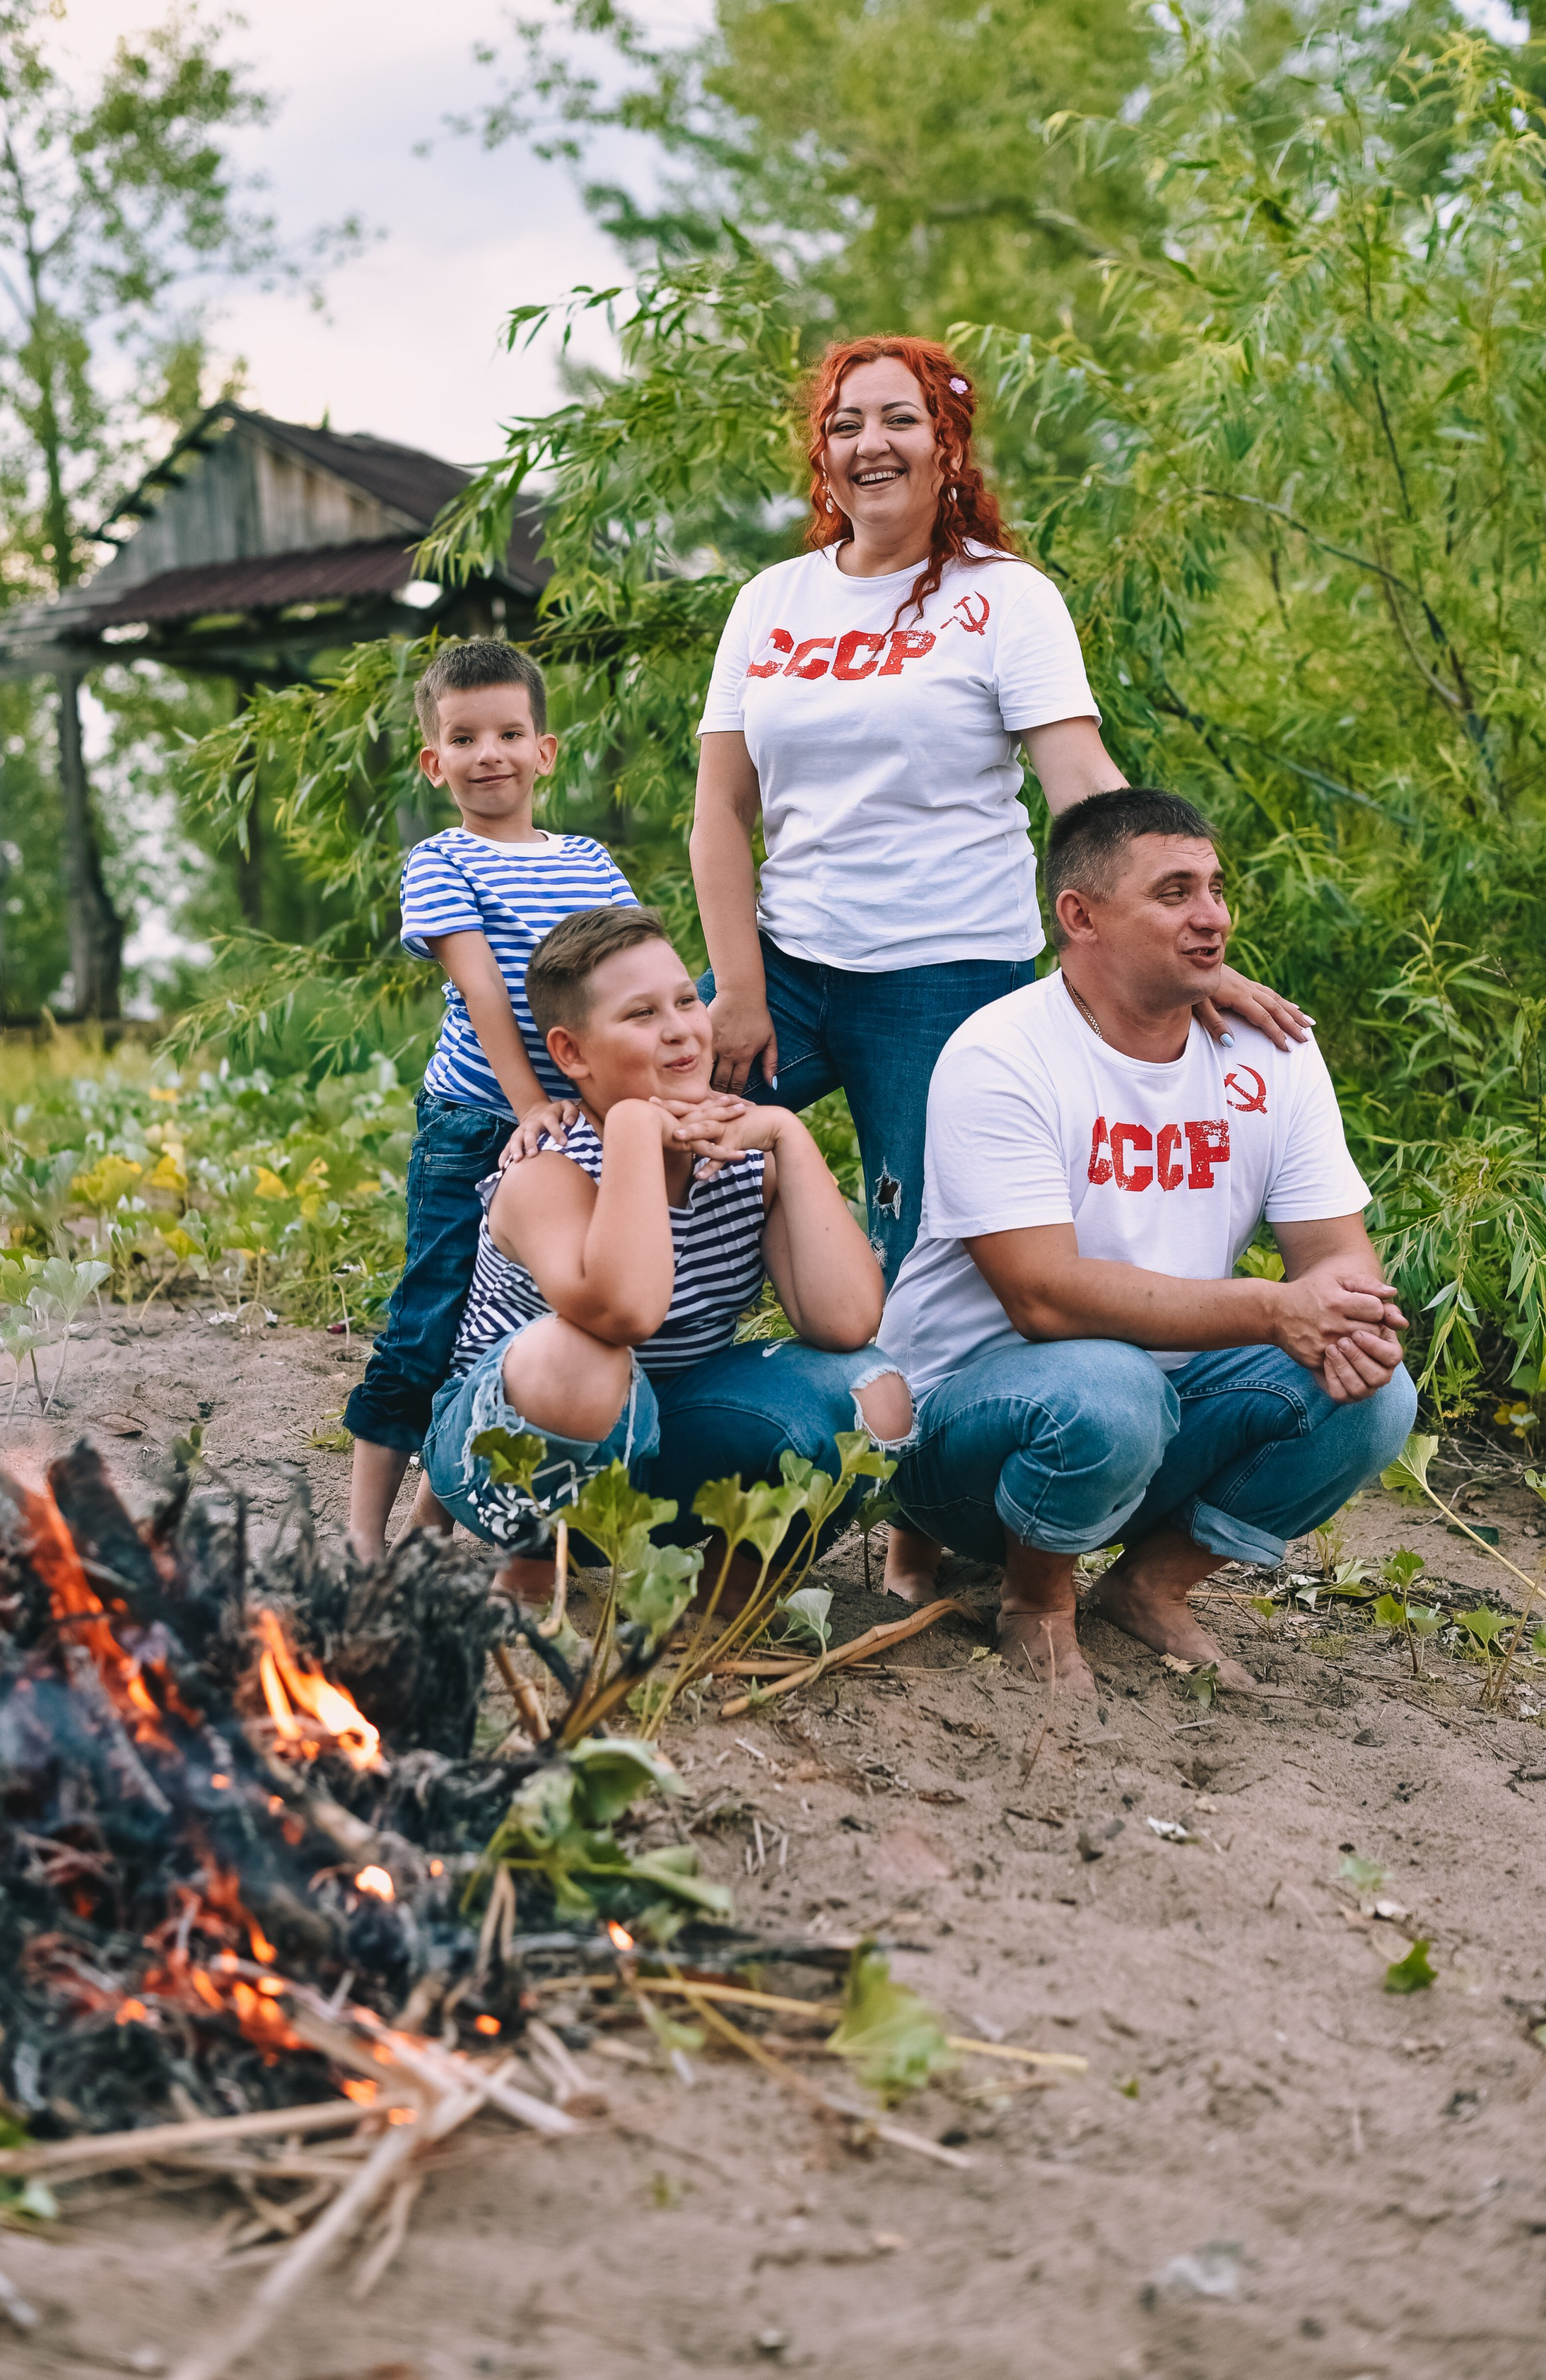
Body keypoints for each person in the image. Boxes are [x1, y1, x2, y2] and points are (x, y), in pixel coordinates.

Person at [690, 336, 1306, 1595]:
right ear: (825, 450)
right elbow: (719, 812)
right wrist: (737, 985)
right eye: (848, 422)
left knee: (927, 1256)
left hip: (946, 975)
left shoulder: (1002, 599)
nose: (872, 443)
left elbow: (1080, 779)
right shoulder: (774, 601)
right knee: (648, 1148)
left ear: (945, 443)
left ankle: (916, 1521)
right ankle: (607, 1439)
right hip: (788, 972)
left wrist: (1175, 925)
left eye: (900, 420)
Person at [877, 787, 1416, 1695]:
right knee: (1109, 1384)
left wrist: (1347, 1313)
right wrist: (1269, 1307)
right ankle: (1036, 1600)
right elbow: (1040, 1296)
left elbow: (1335, 1252)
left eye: (1214, 887)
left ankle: (1148, 1587)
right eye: (1174, 893)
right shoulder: (1000, 1054)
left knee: (1373, 1394)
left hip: (1150, 1419)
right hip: (964, 1443)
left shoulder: (1271, 1051)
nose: (1211, 917)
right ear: (1079, 916)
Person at [420, 902, 913, 1602]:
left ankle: (728, 1585)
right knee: (579, 1358)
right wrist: (629, 1130)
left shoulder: (742, 1159)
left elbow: (844, 1322)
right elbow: (625, 1313)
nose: (680, 1028)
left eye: (686, 999)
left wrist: (786, 1137)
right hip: (508, 1463)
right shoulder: (546, 1173)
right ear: (571, 1054)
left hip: (659, 1458)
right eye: (640, 1014)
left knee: (877, 1391)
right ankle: (531, 1559)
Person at [342, 639, 636, 1558]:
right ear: (436, 764)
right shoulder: (440, 863)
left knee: (517, 1323)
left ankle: (439, 1519)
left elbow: (622, 980)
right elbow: (483, 990)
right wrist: (527, 1106)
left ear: (545, 750)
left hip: (574, 1132)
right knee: (430, 1316)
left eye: (510, 732)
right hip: (476, 1123)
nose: (490, 754)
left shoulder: (587, 860)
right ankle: (362, 1534)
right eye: (465, 738)